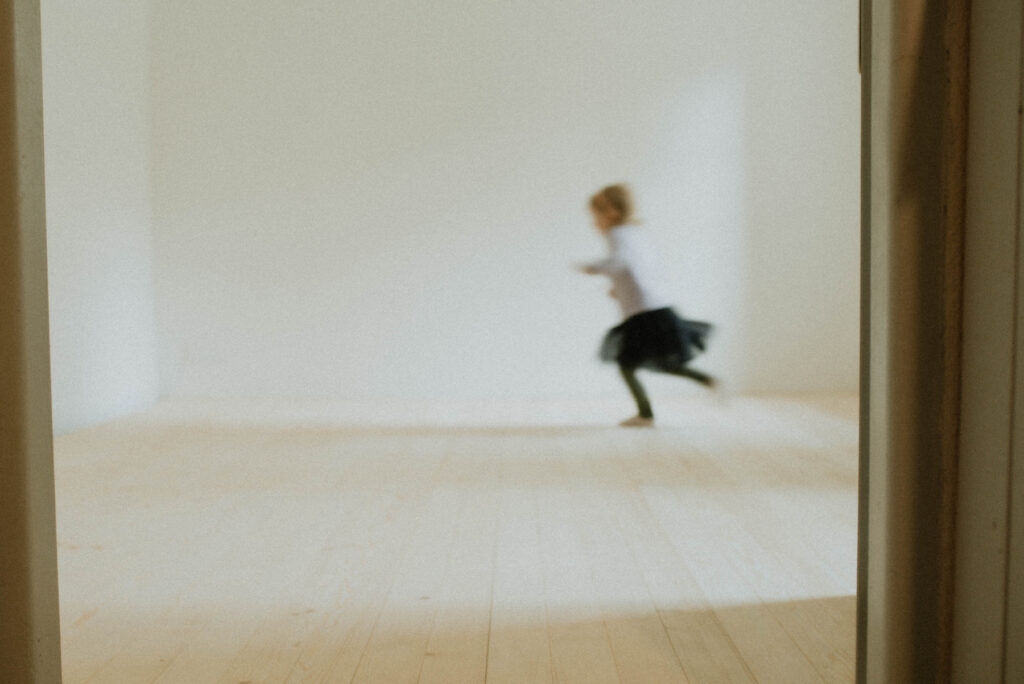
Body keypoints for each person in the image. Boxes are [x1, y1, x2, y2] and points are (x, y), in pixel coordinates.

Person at [578, 184, 715, 427]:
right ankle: (656, 409)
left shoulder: (617, 233)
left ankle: (648, 414)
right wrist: (619, 288)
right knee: (647, 362)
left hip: (644, 312)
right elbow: (637, 267)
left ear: (611, 213)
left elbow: (619, 262)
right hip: (650, 307)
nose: (594, 222)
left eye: (596, 215)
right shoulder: (633, 232)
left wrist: (592, 268)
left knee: (632, 363)